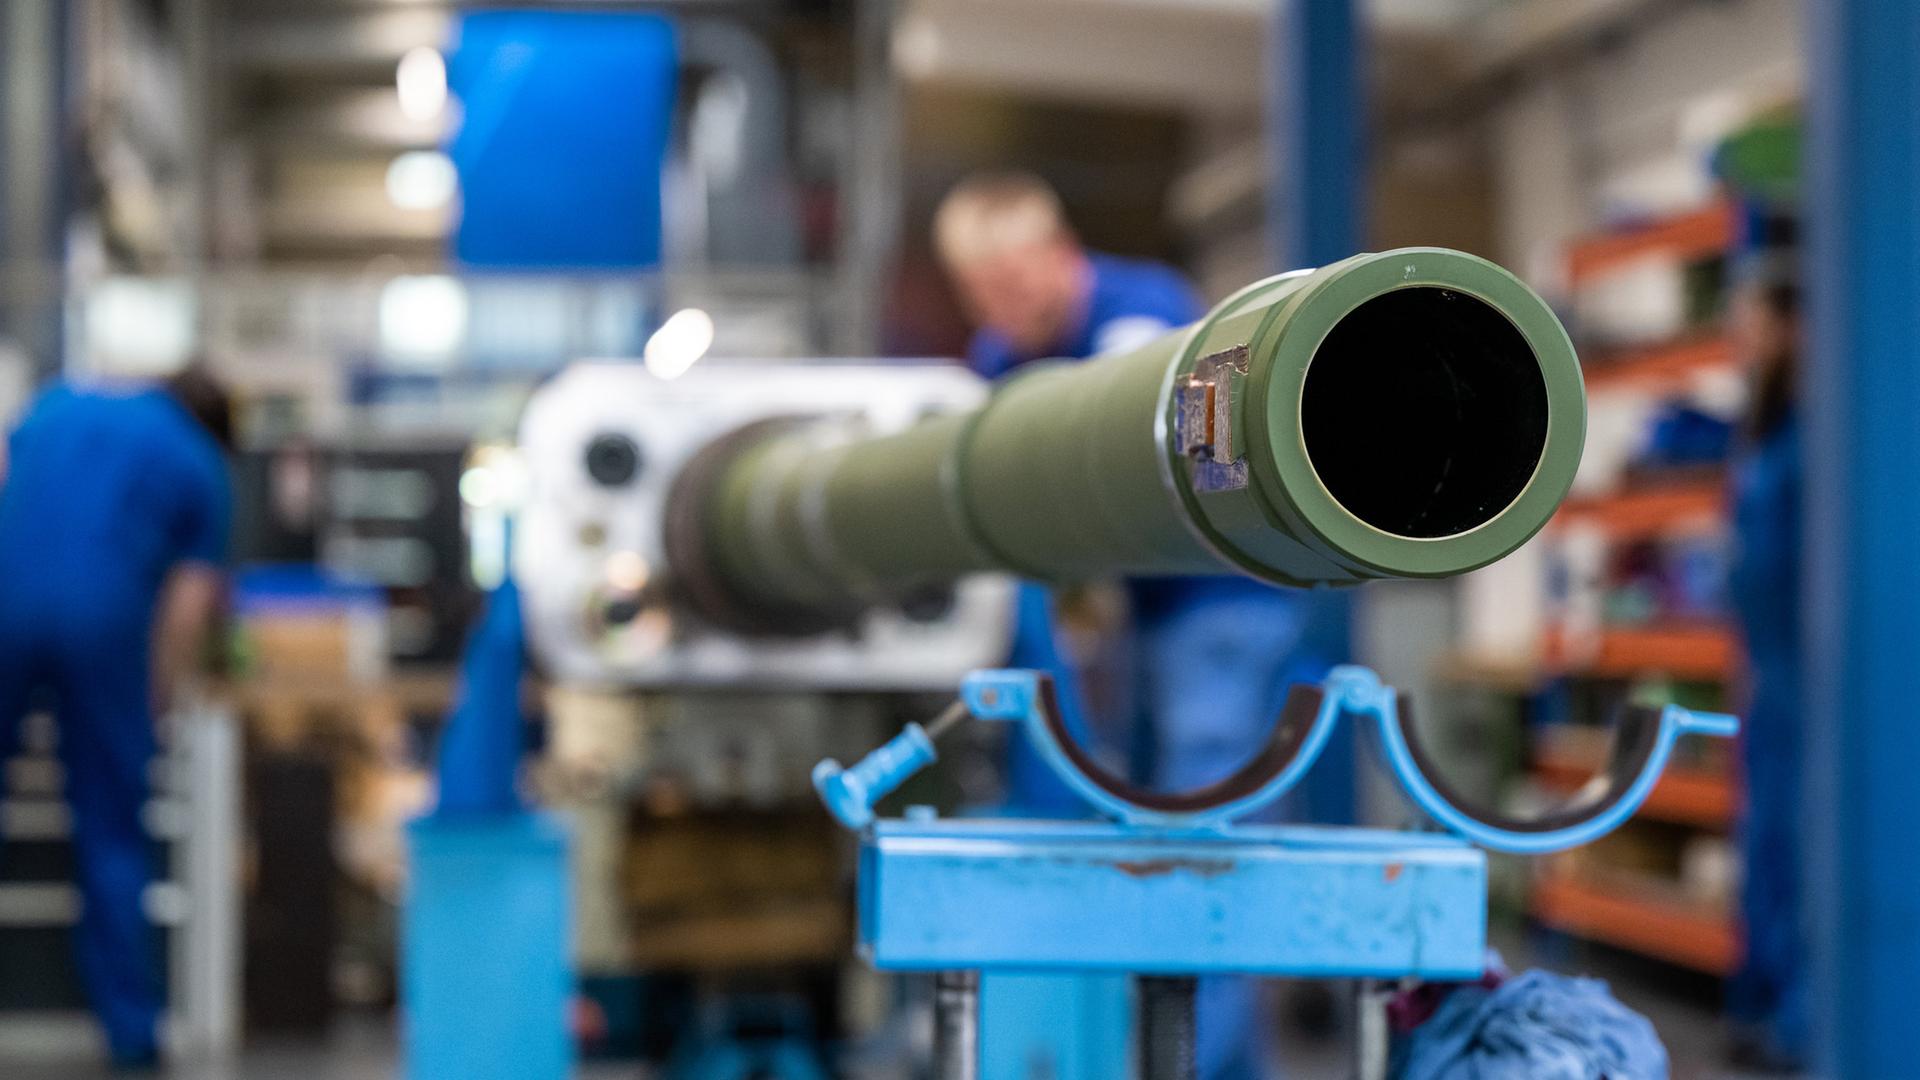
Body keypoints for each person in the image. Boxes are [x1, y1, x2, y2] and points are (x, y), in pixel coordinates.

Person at [935, 171, 1338, 1080]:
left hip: (1226, 608)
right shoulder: (1006, 354)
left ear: (1057, 252)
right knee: (1149, 827)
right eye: (980, 294)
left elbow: (1145, 433)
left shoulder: (1144, 315)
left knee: (1206, 833)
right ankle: (1197, 1055)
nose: (1002, 309)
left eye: (1012, 282)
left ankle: (1188, 1061)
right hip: (1144, 622)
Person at [0, 365, 235, 1070]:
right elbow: (190, 604)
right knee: (109, 827)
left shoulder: (56, 405)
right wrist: (156, 697)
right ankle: (130, 1033)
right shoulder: (198, 462)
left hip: (5, 606)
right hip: (105, 625)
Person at [1724, 258, 1805, 1074]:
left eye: (1753, 323)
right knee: (1767, 842)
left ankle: (1809, 1018)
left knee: (1812, 844)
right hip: (1770, 669)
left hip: (1823, 679)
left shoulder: (1828, 434)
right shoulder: (1767, 429)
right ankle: (1765, 1002)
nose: (1741, 341)